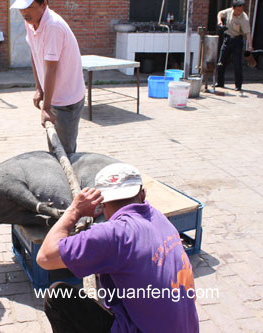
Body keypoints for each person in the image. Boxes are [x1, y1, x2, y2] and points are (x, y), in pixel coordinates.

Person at [37, 163, 199, 333]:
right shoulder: (159, 218)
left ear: (101, 203)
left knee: (57, 296)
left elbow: (45, 257)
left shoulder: (114, 234)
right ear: (143, 194)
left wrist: (74, 211)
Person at [10, 0, 85, 154]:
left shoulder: (53, 26)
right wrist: (39, 88)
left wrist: (46, 108)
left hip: (67, 99)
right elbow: (35, 53)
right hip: (53, 95)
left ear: (43, 4)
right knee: (54, 147)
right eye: (21, 9)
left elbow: (51, 69)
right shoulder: (31, 22)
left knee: (65, 152)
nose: (25, 13)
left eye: (29, 7)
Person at [216, 0, 253, 91]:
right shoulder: (229, 11)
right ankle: (220, 82)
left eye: (241, 10)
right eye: (238, 10)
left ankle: (238, 85)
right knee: (221, 61)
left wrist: (250, 46)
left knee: (237, 64)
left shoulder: (244, 18)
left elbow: (248, 33)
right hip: (227, 39)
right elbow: (220, 13)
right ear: (233, 8)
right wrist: (220, 22)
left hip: (237, 41)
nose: (240, 12)